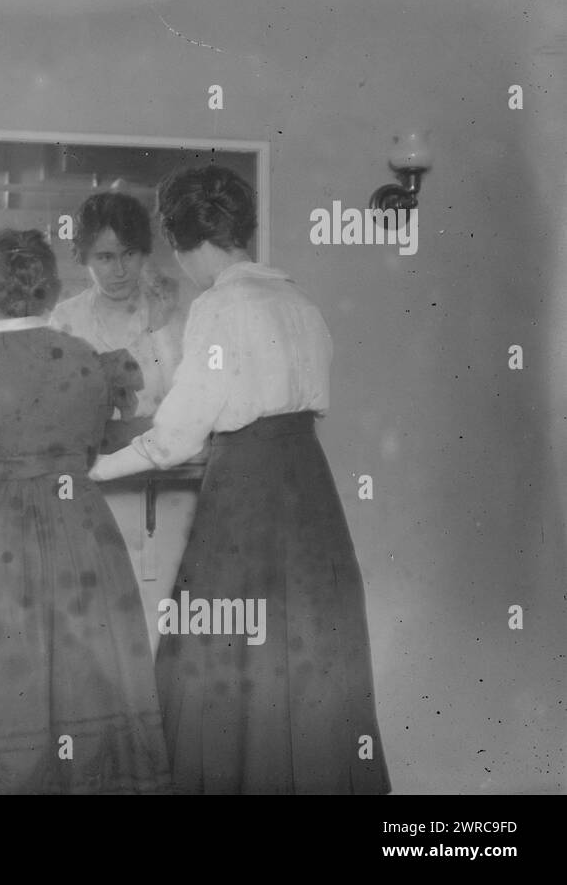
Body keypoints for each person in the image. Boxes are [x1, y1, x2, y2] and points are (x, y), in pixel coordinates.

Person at [90, 166, 391, 795]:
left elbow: (176, 438)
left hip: (247, 495)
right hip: (310, 489)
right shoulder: (300, 301)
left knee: (225, 653)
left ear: (180, 241)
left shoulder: (220, 305)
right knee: (303, 649)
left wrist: (96, 468)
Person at [0, 229, 172, 795]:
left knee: (0, 682)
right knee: (87, 676)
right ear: (49, 291)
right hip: (81, 527)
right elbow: (98, 444)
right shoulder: (88, 358)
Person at [50, 191, 186, 448]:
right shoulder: (63, 321)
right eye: (105, 257)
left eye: (129, 254)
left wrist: (160, 328)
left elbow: (186, 403)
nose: (120, 270)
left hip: (162, 467)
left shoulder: (170, 316)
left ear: (144, 254)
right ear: (85, 258)